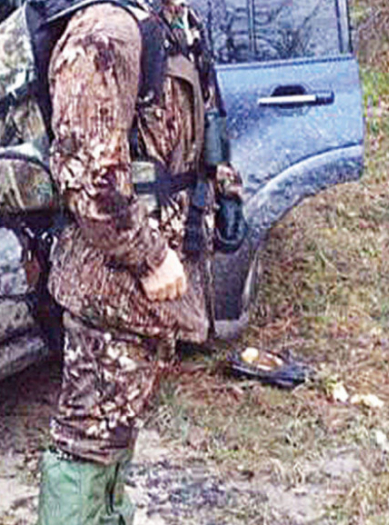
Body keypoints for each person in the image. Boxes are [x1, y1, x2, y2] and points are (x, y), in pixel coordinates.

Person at [36, 0, 243, 523]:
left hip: (152, 284)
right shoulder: (105, 32)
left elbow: (198, 122)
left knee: (117, 429)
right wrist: (149, 258)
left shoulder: (176, 20)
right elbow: (87, 174)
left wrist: (226, 191)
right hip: (111, 282)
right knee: (87, 438)